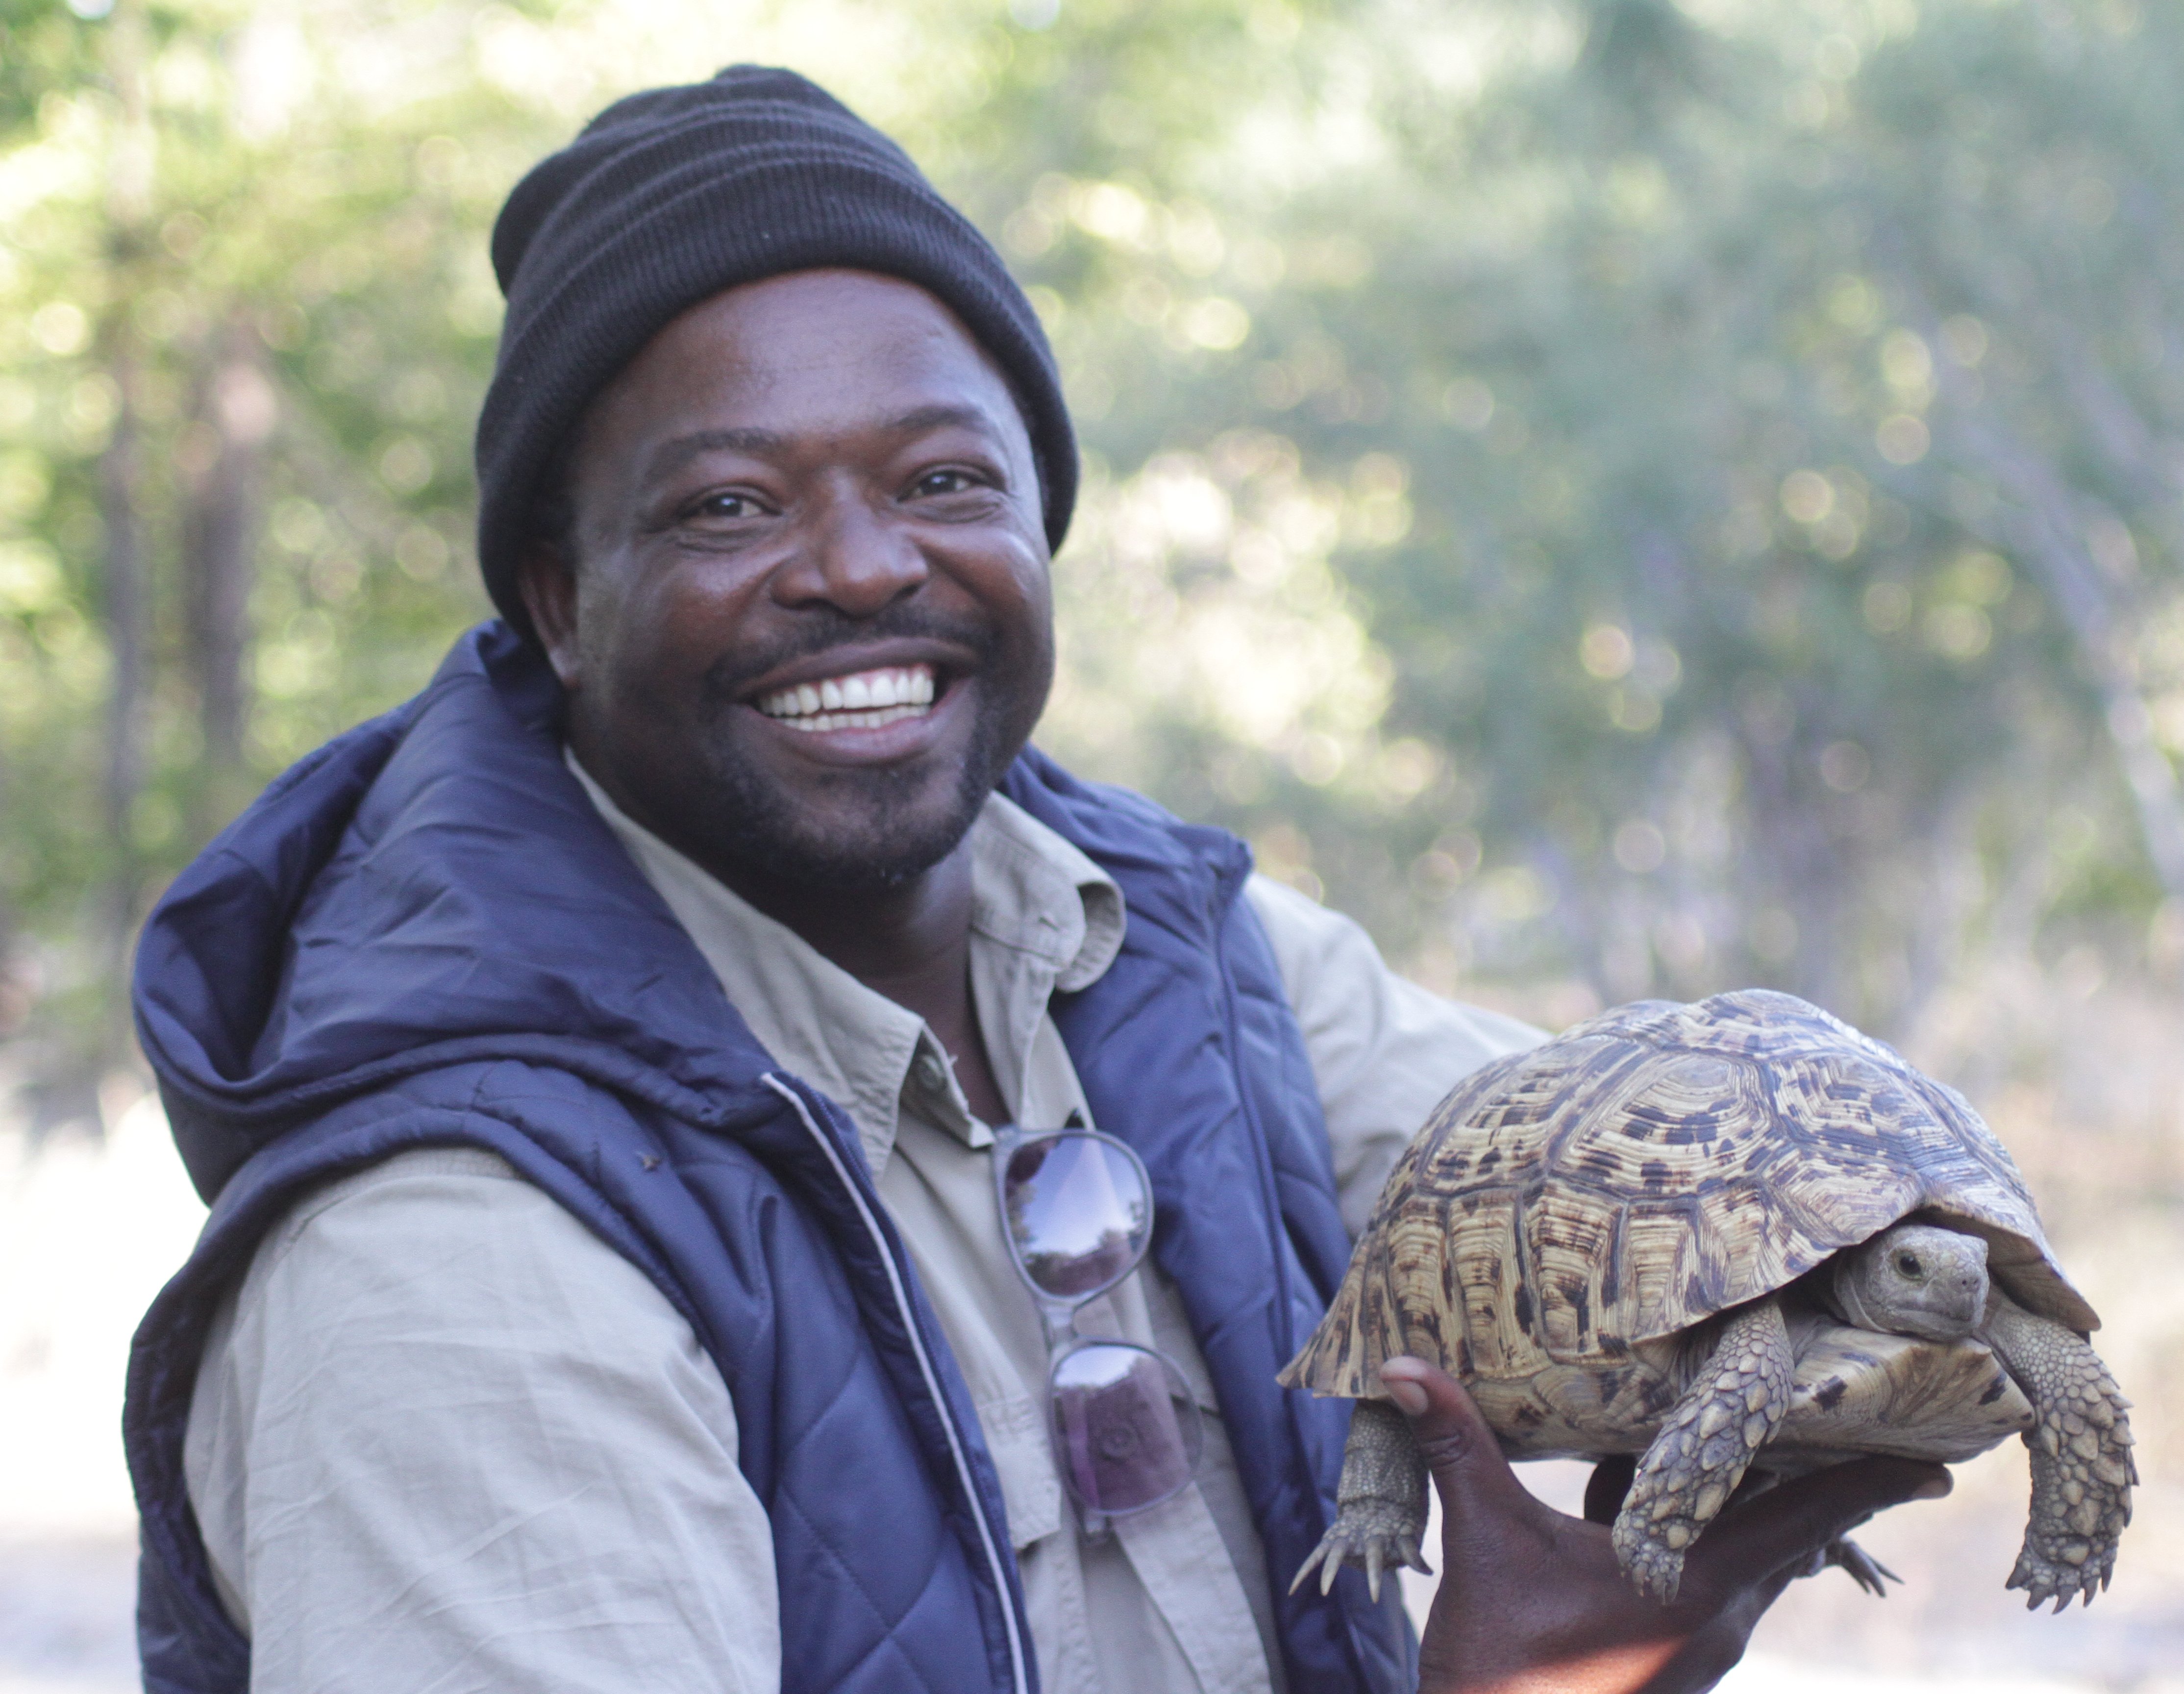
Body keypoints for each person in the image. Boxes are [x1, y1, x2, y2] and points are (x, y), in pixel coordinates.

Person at [123, 66, 1943, 1694]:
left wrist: (1931, 1273)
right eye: (728, 507)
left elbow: (1735, 1239)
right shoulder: (455, 1274)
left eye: (942, 479)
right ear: (552, 600)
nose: (858, 568)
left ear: (1036, 532)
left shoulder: (1187, 967)